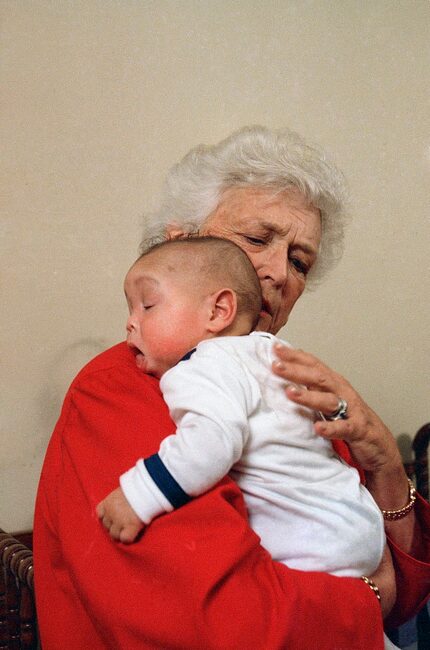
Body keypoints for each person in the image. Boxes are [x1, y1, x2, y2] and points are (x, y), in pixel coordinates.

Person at [34, 126, 430, 650]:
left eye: (299, 262)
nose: (276, 274)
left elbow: (408, 594)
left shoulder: (286, 382)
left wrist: (382, 457)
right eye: (257, 238)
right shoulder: (116, 389)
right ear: (182, 244)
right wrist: (369, 598)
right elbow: (217, 623)